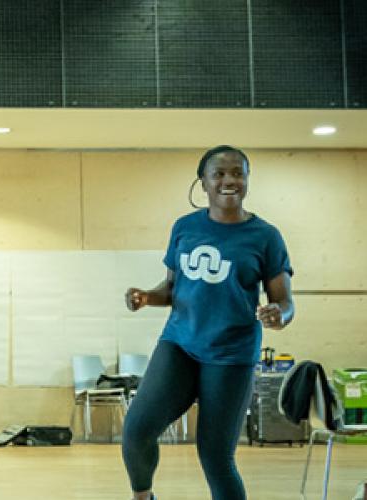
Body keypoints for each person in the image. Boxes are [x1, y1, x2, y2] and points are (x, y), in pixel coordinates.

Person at [122, 145, 295, 500]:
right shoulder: (185, 227)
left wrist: (280, 315)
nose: (229, 180)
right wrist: (145, 297)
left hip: (231, 355)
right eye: (219, 174)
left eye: (238, 173)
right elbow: (171, 288)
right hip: (180, 344)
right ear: (203, 182)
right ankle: (143, 497)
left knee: (215, 456)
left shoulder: (266, 236)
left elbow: (285, 301)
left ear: (247, 180)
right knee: (137, 432)